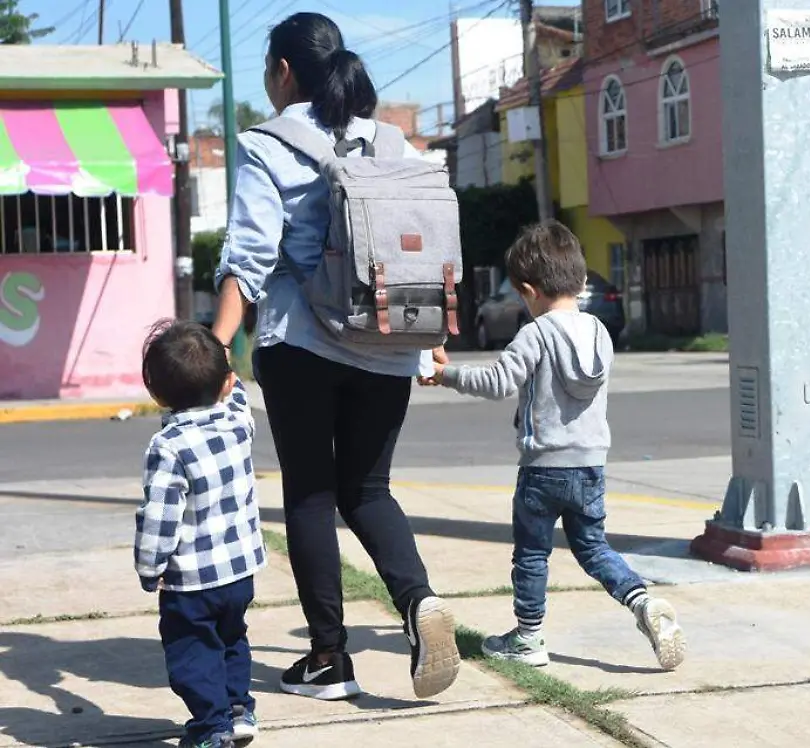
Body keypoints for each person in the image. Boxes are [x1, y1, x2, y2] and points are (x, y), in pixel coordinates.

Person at [210, 12, 460, 702]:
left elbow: (249, 255)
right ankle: (418, 600)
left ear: (283, 72)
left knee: (311, 494)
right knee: (370, 491)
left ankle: (329, 658)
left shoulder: (268, 144)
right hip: (388, 343)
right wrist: (430, 338)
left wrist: (217, 346)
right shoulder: (394, 142)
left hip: (302, 342)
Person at [427, 221, 687, 671]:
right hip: (590, 467)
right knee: (594, 548)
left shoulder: (536, 333)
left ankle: (528, 638)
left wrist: (445, 374)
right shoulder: (600, 332)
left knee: (532, 554)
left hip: (543, 468)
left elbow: (497, 382)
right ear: (581, 281)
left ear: (529, 291)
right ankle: (642, 601)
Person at [136, 320, 266, 748]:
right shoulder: (238, 423)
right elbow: (237, 393)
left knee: (192, 651)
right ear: (227, 382)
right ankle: (238, 709)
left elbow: (159, 518)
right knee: (232, 638)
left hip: (191, 581)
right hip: (240, 571)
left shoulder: (168, 447)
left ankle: (212, 728)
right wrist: (224, 362)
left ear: (155, 394)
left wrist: (149, 567)